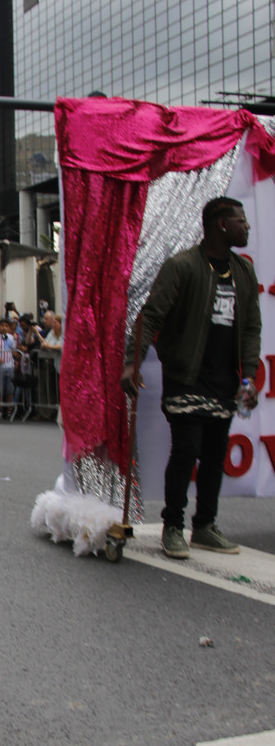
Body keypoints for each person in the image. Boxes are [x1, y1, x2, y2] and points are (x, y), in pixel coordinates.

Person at [121, 196, 261, 559]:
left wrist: (249, 376)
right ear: (221, 225)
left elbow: (251, 328)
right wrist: (133, 362)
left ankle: (204, 526)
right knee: (187, 449)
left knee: (215, 455)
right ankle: (172, 525)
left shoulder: (243, 272)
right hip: (186, 375)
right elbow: (150, 316)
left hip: (224, 379)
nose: (247, 227)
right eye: (241, 221)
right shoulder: (182, 266)